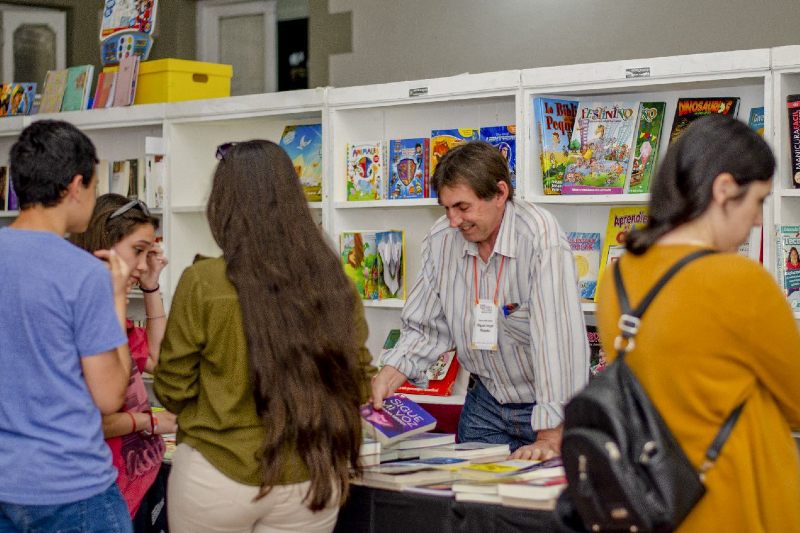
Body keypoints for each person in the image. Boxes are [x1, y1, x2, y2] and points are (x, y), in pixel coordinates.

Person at [154, 140, 374, 533]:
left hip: (217, 470)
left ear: (224, 204)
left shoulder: (203, 282)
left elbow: (172, 389)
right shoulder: (332, 281)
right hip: (311, 475)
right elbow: (356, 383)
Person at [595, 114, 800, 531]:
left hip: (657, 500)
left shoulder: (614, 279)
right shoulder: (740, 280)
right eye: (757, 201)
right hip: (739, 501)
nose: (758, 220)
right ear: (724, 189)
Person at [373, 140, 589, 460]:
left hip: (547, 409)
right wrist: (391, 374)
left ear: (500, 194)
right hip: (485, 403)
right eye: (446, 208)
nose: (453, 221)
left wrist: (551, 433)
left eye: (462, 207)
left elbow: (558, 342)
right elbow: (426, 326)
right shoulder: (441, 240)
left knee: (537, 507)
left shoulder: (540, 239)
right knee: (470, 503)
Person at [0, 120, 133, 532]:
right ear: (75, 186)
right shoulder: (82, 273)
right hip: (70, 488)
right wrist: (116, 296)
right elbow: (109, 395)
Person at [69, 193, 178, 525]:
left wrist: (151, 288)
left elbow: (160, 362)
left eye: (149, 253)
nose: (143, 264)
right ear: (104, 244)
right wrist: (149, 422)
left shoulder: (117, 316)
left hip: (137, 479)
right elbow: (88, 422)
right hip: (102, 491)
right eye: (137, 251)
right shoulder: (80, 321)